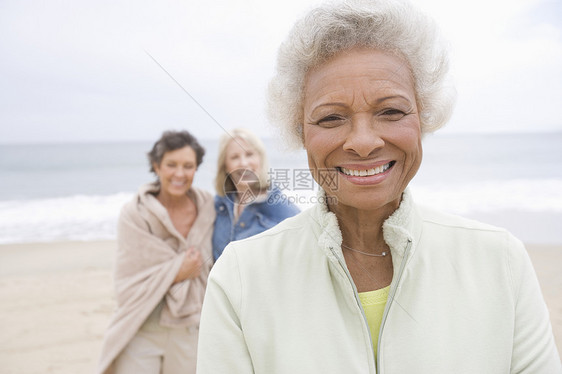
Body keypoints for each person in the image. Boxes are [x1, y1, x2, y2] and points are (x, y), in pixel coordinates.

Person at [196, 1, 561, 373]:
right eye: (331, 117)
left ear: (425, 115)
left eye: (391, 111)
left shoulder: (501, 263)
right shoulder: (239, 279)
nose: (364, 141)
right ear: (299, 131)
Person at [98, 130, 215, 374]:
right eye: (171, 165)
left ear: (196, 169)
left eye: (188, 166)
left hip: (191, 327)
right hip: (143, 326)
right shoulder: (135, 214)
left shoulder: (208, 208)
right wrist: (177, 271)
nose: (179, 174)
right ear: (157, 166)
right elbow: (128, 279)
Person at [212, 128, 299, 261]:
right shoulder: (219, 204)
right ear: (225, 166)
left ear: (260, 159)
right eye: (235, 157)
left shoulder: (282, 210)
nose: (243, 163)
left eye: (249, 154)